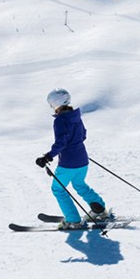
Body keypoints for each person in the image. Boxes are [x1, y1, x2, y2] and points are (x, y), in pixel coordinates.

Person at [35, 88, 109, 230]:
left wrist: (47, 157)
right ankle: (100, 211)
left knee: (58, 189)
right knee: (79, 184)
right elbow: (83, 135)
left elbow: (61, 142)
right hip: (82, 160)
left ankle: (73, 220)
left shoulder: (60, 120)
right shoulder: (76, 116)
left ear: (54, 104)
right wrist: (75, 145)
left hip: (68, 164)